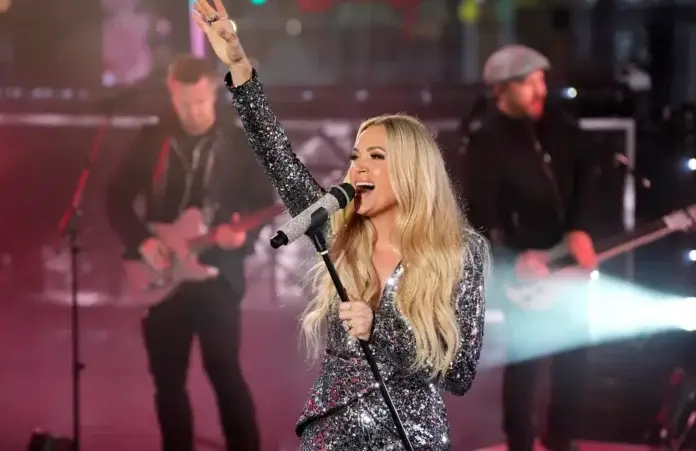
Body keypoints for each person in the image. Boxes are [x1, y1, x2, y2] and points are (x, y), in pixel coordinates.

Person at [191, 0, 490, 449]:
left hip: (413, 437)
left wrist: (381, 328)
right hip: (332, 432)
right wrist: (239, 66)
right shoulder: (339, 232)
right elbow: (278, 158)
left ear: (411, 171)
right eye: (354, 157)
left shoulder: (459, 251)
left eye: (375, 157)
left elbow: (461, 372)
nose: (358, 168)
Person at [105, 54, 273, 451]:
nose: (194, 112)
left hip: (219, 275)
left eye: (201, 102)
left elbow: (261, 204)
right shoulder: (152, 138)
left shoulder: (238, 140)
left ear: (213, 93)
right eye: (185, 104)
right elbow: (115, 198)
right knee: (167, 382)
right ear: (172, 93)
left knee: (225, 371)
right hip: (163, 275)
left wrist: (242, 240)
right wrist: (142, 241)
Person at [464, 45, 598, 451]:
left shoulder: (563, 131)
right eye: (528, 82)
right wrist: (513, 258)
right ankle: (520, 441)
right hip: (525, 269)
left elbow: (588, 183)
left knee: (575, 352)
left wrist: (581, 229)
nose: (539, 90)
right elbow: (479, 218)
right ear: (502, 91)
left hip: (568, 261)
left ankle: (562, 438)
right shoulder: (485, 143)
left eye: (541, 80)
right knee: (526, 360)